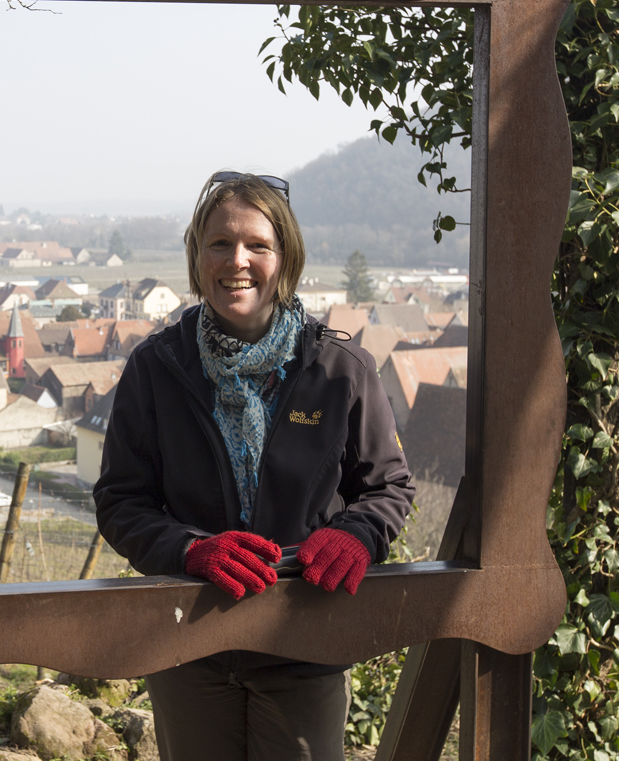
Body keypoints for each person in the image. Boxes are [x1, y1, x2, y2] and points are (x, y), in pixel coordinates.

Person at [93, 171, 415, 761]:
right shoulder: (156, 368)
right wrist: (190, 550)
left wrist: (357, 535)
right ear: (197, 256)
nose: (237, 260)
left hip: (305, 642)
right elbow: (120, 502)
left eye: (257, 245)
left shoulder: (340, 370)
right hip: (190, 642)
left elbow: (388, 486)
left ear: (285, 258)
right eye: (219, 242)